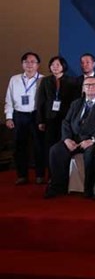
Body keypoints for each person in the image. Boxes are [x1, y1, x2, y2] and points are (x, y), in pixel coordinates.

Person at [44, 76, 95, 198]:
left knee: (91, 153)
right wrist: (67, 139)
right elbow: (66, 122)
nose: (90, 87)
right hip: (73, 139)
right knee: (55, 150)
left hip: (92, 140)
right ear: (83, 88)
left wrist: (92, 139)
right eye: (87, 85)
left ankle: (88, 189)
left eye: (94, 85)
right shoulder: (76, 103)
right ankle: (58, 186)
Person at [5, 52, 45, 185]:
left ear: (38, 65)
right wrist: (9, 117)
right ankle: (22, 175)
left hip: (36, 115)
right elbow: (9, 99)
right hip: (19, 115)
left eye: (33, 62)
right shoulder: (14, 79)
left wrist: (43, 119)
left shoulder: (43, 80)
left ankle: (40, 175)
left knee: (39, 146)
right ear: (22, 64)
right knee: (19, 146)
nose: (29, 65)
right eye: (26, 62)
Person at [36, 56, 77, 175]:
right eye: (52, 65)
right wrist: (40, 120)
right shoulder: (45, 81)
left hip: (66, 119)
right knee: (49, 146)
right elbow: (41, 102)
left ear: (63, 66)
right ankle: (51, 175)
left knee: (64, 145)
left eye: (58, 65)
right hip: (49, 119)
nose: (55, 67)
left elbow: (75, 103)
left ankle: (65, 174)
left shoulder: (72, 81)